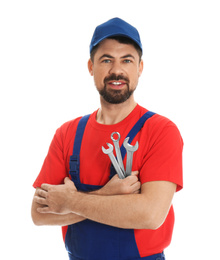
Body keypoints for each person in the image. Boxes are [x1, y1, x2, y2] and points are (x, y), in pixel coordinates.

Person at [31, 17, 183, 260]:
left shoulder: (161, 130)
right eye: (106, 60)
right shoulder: (67, 133)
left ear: (140, 68)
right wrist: (108, 194)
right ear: (91, 67)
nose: (117, 70)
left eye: (127, 60)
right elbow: (39, 213)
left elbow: (150, 215)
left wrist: (68, 202)